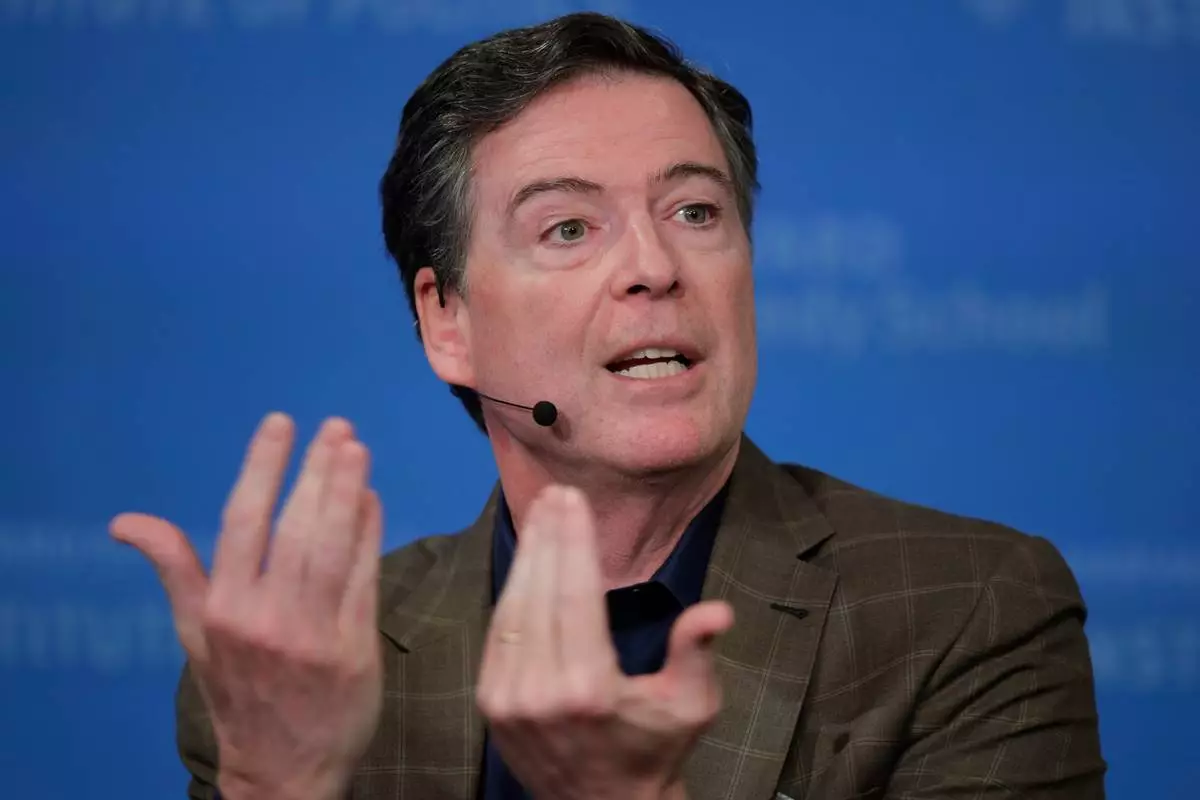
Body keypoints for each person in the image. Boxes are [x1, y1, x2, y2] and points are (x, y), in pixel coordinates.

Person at [110, 11, 1107, 800]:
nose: (654, 265)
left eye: (695, 211)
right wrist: (279, 786)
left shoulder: (965, 609)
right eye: (568, 227)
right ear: (446, 319)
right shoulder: (305, 673)